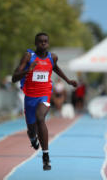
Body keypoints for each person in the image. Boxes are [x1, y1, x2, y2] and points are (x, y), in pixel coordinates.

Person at [11, 32, 77, 170]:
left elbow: (55, 68)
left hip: (44, 94)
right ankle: (33, 138)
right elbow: (14, 77)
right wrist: (28, 71)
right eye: (40, 41)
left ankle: (46, 156)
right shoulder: (29, 56)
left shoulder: (52, 57)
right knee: (31, 129)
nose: (43, 43)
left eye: (45, 41)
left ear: (48, 43)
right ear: (35, 43)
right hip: (29, 96)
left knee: (40, 118)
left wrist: (68, 81)